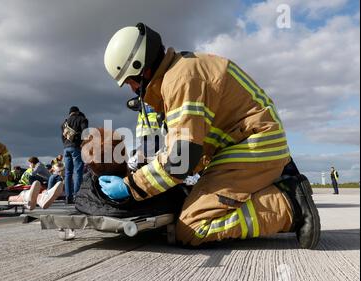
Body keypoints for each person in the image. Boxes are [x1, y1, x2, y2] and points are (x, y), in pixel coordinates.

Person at [102, 22, 320, 249]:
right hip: (249, 144)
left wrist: (131, 186)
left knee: (192, 227)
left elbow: (180, 161)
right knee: (190, 204)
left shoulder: (181, 81)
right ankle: (278, 187)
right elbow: (194, 150)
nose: (131, 90)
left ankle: (289, 205)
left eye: (130, 81)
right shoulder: (181, 72)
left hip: (255, 145)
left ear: (143, 69)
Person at [61, 106, 88, 204]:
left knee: (68, 173)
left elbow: (62, 137)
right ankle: (77, 196)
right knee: (78, 172)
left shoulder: (64, 123)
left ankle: (68, 197)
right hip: (76, 147)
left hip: (66, 148)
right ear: (77, 112)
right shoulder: (81, 119)